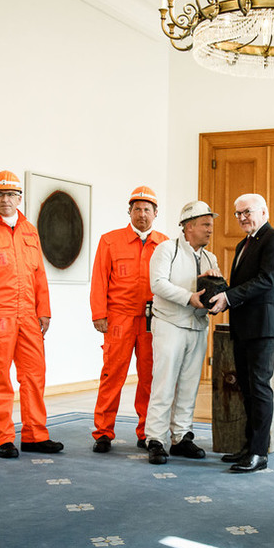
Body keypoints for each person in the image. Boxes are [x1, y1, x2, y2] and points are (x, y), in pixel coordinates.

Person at [0, 170, 64, 458]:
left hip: (29, 316)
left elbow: (39, 274)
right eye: (1, 194)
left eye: (11, 195)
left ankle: (35, 435)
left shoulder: (29, 230)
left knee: (34, 375)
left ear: (20, 198)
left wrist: (44, 310)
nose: (6, 200)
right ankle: (3, 438)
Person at [209, 194, 274, 474]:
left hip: (265, 326)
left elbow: (267, 281)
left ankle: (259, 453)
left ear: (264, 211)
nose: (242, 217)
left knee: (258, 387)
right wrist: (217, 283)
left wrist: (228, 297)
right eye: (238, 213)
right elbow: (242, 284)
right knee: (246, 388)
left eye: (247, 212)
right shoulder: (244, 244)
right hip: (244, 325)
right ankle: (248, 446)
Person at [89, 186, 169, 453]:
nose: (142, 214)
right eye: (137, 209)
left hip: (152, 320)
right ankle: (103, 432)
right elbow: (99, 279)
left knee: (150, 377)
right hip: (118, 319)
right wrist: (99, 314)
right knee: (112, 375)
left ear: (155, 213)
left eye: (147, 209)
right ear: (129, 211)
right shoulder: (110, 241)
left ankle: (147, 431)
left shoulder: (166, 244)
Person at [145, 200, 221, 465]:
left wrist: (214, 290)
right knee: (164, 383)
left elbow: (214, 292)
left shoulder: (211, 257)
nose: (211, 230)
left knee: (189, 385)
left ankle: (181, 437)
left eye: (211, 225)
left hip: (198, 327)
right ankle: (155, 439)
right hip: (169, 324)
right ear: (189, 226)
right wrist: (189, 297)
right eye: (206, 225)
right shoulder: (167, 249)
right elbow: (157, 284)